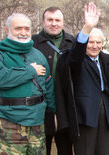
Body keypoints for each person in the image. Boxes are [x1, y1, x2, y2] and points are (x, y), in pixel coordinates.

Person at [56, 3, 109, 154]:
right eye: (90, 41)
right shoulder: (75, 59)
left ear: (102, 44)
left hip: (108, 118)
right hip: (85, 117)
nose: (94, 46)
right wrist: (87, 28)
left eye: (98, 42)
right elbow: (75, 55)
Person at [0, 13, 55, 154]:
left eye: (27, 29)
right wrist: (30, 70)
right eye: (18, 28)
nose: (23, 32)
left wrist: (53, 113)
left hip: (37, 122)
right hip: (9, 122)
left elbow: (48, 86)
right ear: (7, 30)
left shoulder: (38, 55)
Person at [32, 6, 74, 155]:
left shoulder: (72, 42)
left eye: (57, 20)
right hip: (41, 107)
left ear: (63, 22)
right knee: (42, 149)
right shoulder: (32, 43)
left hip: (66, 106)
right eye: (50, 20)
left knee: (65, 149)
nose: (54, 23)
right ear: (43, 22)